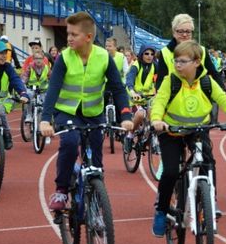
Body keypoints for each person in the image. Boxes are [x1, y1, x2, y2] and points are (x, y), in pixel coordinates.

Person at [150, 40, 226, 237]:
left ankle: (211, 199)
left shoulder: (206, 81)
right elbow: (160, 101)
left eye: (182, 61)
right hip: (171, 131)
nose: (177, 65)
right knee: (169, 171)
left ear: (196, 62)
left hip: (197, 130)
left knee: (208, 161)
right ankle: (161, 210)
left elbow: (223, 98)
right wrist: (157, 120)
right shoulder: (171, 80)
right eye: (176, 61)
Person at [39, 11, 133, 211]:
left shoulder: (103, 57)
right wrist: (46, 120)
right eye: (68, 33)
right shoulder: (64, 58)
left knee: (96, 157)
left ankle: (97, 195)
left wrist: (125, 116)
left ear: (88, 37)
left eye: (74, 34)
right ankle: (61, 189)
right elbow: (53, 89)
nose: (69, 38)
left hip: (94, 113)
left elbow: (118, 88)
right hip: (67, 112)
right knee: (71, 143)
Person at [154, 13, 224, 91]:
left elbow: (214, 74)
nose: (184, 34)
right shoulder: (164, 53)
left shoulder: (202, 51)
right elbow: (160, 81)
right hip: (175, 99)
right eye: (180, 31)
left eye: (188, 31)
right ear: (174, 32)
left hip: (200, 98)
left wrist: (224, 92)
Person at [0, 40, 29, 149]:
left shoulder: (7, 67)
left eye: (6, 53)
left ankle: (6, 133)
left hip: (3, 100)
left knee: (0, 110)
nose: (4, 56)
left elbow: (15, 80)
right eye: (1, 53)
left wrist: (23, 93)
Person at [124, 43, 157, 152]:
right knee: (140, 114)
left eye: (152, 54)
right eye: (146, 53)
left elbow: (162, 80)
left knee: (154, 114)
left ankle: (150, 137)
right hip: (135, 99)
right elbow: (129, 81)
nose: (149, 56)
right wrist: (133, 92)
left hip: (149, 98)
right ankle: (130, 135)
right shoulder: (135, 66)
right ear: (141, 54)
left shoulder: (155, 66)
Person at [21, 52, 51, 123]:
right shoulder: (30, 67)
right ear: (33, 59)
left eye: (40, 58)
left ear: (43, 59)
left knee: (45, 104)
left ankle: (44, 120)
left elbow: (52, 78)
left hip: (43, 90)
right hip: (32, 88)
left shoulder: (47, 68)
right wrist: (22, 83)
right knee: (29, 97)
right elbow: (25, 76)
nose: (38, 60)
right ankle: (29, 115)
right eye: (36, 58)